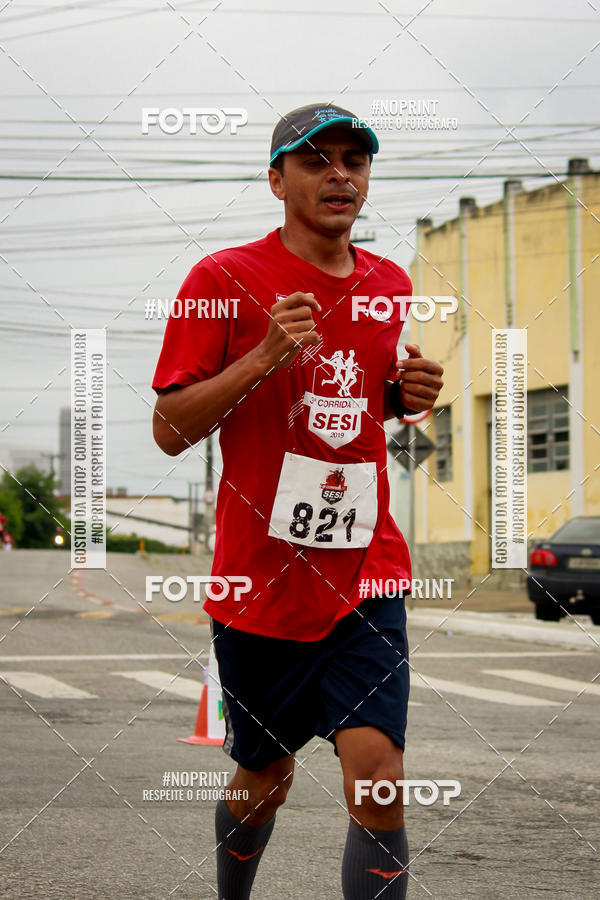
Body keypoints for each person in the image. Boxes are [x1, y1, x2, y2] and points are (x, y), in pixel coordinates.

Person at [152, 102, 444, 899]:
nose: (340, 174)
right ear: (277, 178)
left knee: (379, 775)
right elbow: (170, 430)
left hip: (364, 571)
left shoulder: (391, 283)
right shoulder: (221, 280)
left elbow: (346, 404)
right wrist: (263, 358)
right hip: (260, 583)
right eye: (317, 160)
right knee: (264, 774)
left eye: (355, 159)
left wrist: (401, 394)